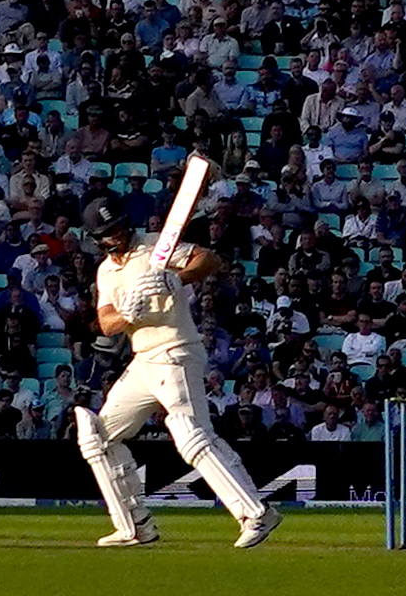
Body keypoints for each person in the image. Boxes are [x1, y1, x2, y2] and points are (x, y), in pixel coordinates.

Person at [75, 193, 281, 550]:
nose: (119, 234)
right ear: (98, 239)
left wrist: (176, 279)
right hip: (143, 360)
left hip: (176, 351)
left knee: (189, 433)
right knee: (99, 436)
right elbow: (106, 324)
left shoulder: (157, 246)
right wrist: (128, 315)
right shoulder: (106, 271)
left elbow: (211, 259)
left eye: (121, 225)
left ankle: (256, 513)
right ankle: (136, 526)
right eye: (110, 231)